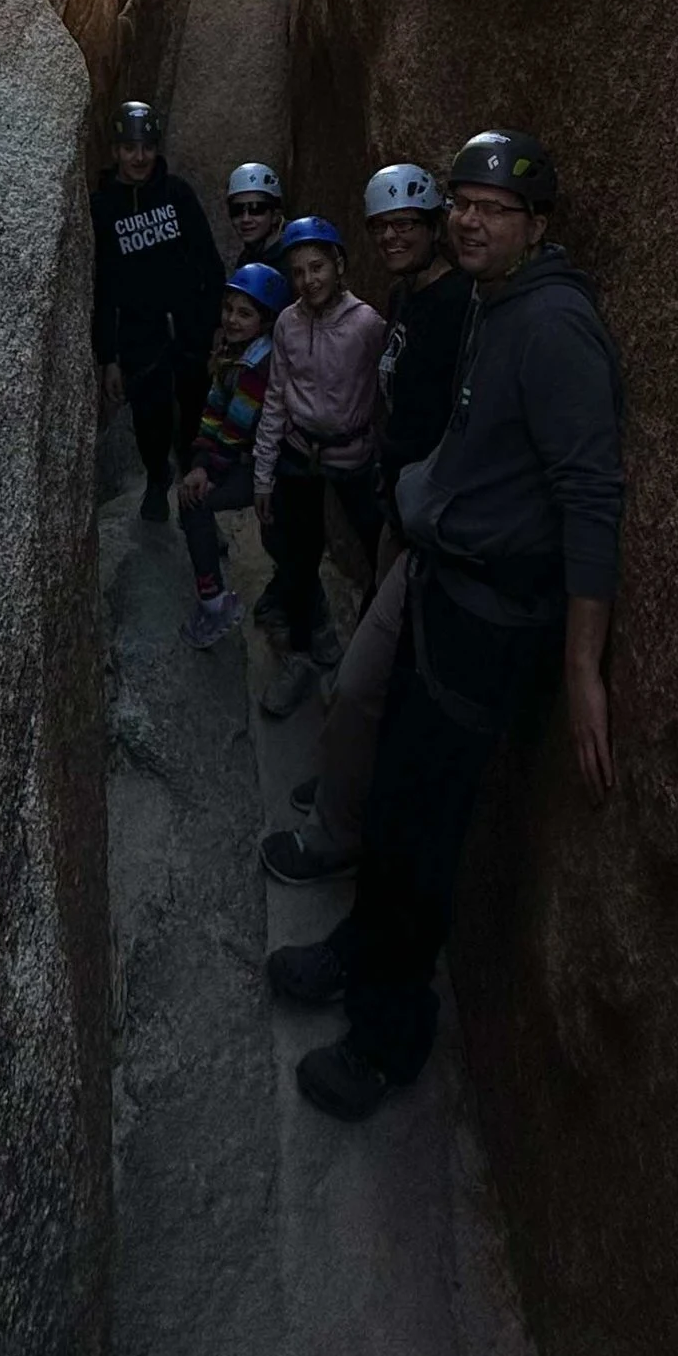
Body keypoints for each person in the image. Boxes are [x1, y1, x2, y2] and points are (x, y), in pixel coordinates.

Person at [270, 132, 624, 1121]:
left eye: (494, 208)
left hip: (485, 618)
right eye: (461, 201)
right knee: (392, 793)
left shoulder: (552, 327)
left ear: (536, 225)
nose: (469, 219)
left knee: (422, 829)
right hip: (445, 584)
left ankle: (384, 1042)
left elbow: (591, 493)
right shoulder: (492, 303)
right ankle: (356, 949)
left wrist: (584, 661)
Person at [261, 162, 471, 886]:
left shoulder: (439, 309)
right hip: (397, 507)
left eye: (405, 225)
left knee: (365, 680)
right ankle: (347, 781)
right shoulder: (408, 300)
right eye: (383, 226)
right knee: (368, 672)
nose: (393, 236)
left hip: (424, 525)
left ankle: (339, 824)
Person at [251, 217, 386, 720]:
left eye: (318, 267)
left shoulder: (367, 326)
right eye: (299, 272)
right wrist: (263, 473)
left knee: (380, 550)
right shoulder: (288, 322)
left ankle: (366, 665)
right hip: (298, 452)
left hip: (351, 455)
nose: (309, 280)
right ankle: (307, 653)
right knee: (298, 556)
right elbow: (277, 398)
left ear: (339, 265)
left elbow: (387, 395)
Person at [91, 99, 225, 523]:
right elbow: (102, 287)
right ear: (115, 151)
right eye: (130, 147)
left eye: (147, 146)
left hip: (188, 329)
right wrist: (108, 358)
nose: (139, 157)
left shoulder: (177, 194)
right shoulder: (103, 208)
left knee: (196, 418)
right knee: (149, 419)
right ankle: (155, 477)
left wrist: (217, 323)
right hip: (139, 334)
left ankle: (197, 502)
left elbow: (207, 258)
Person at [175, 260, 287, 644]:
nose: (233, 320)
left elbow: (237, 427)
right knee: (193, 497)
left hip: (263, 467)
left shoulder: (259, 364)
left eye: (245, 313)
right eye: (229, 310)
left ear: (266, 319)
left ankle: (215, 604)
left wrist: (206, 468)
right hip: (242, 457)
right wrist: (200, 461)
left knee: (196, 503)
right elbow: (213, 411)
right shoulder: (235, 353)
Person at [225, 163, 286, 273]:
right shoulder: (247, 259)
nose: (245, 219)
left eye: (256, 209)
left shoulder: (295, 257)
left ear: (275, 215)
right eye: (237, 210)